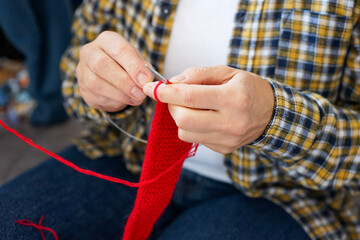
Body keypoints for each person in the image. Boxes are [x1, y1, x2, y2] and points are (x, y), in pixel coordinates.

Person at [0, 0, 359, 239]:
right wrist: (95, 84)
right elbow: (74, 68)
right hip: (127, 157)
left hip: (286, 195)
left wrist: (274, 119)